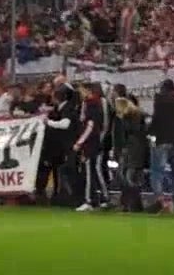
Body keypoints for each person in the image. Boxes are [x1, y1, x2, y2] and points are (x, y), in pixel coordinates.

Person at [148, 78, 174, 214]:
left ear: (163, 89)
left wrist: (149, 134)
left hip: (162, 139)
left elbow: (156, 121)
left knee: (157, 172)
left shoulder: (159, 102)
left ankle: (159, 200)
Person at [74, 83, 110, 212]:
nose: (80, 94)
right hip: (95, 141)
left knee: (90, 171)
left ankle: (89, 200)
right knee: (95, 170)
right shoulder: (91, 103)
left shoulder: (93, 104)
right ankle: (102, 198)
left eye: (82, 91)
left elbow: (91, 126)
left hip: (92, 142)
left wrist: (79, 142)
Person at [42, 82, 79, 206]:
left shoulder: (67, 108)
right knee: (62, 171)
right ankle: (63, 196)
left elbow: (65, 124)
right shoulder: (63, 108)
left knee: (67, 171)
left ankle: (71, 197)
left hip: (69, 144)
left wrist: (49, 122)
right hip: (64, 145)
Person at [114, 96, 150, 212]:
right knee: (129, 177)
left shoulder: (129, 119)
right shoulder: (138, 117)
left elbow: (126, 135)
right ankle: (131, 204)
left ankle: (132, 204)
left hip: (132, 151)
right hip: (135, 151)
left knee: (128, 177)